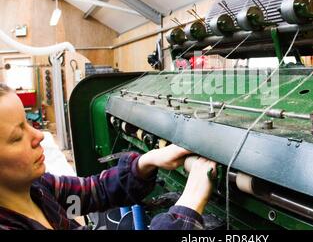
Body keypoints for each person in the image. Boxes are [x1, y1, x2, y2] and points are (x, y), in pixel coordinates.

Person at [0, 83, 216, 230]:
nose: (38, 135)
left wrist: (146, 162)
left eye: (28, 123)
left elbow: (97, 192)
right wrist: (189, 206)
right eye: (18, 136)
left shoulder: (37, 188)